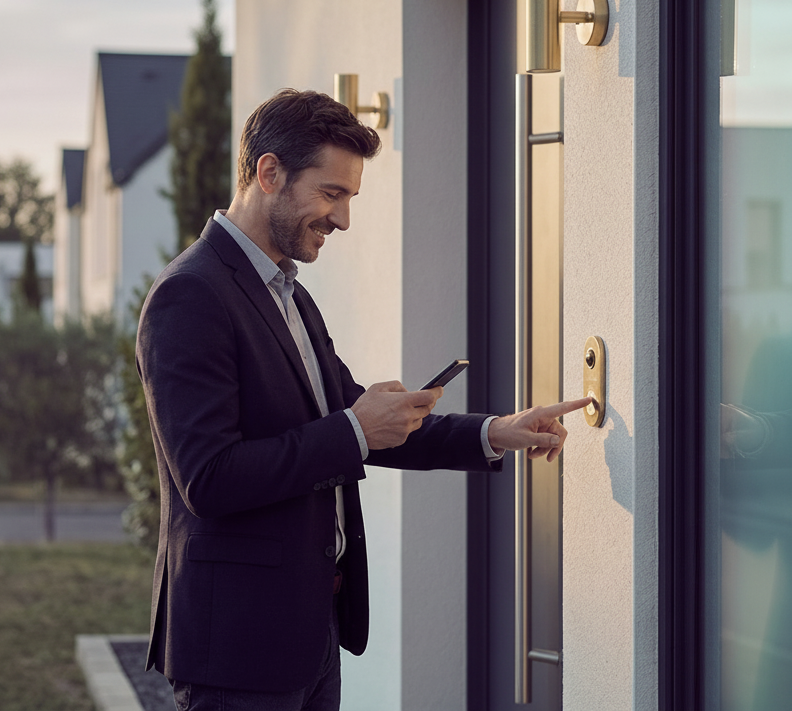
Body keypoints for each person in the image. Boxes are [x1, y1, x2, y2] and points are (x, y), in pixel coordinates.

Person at [135, 88, 590, 711]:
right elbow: (210, 479)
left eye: (349, 197)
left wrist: (496, 431)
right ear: (269, 173)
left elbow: (360, 421)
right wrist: (352, 429)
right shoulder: (189, 297)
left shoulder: (289, 294)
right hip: (238, 647)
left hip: (312, 631)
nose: (344, 219)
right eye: (332, 194)